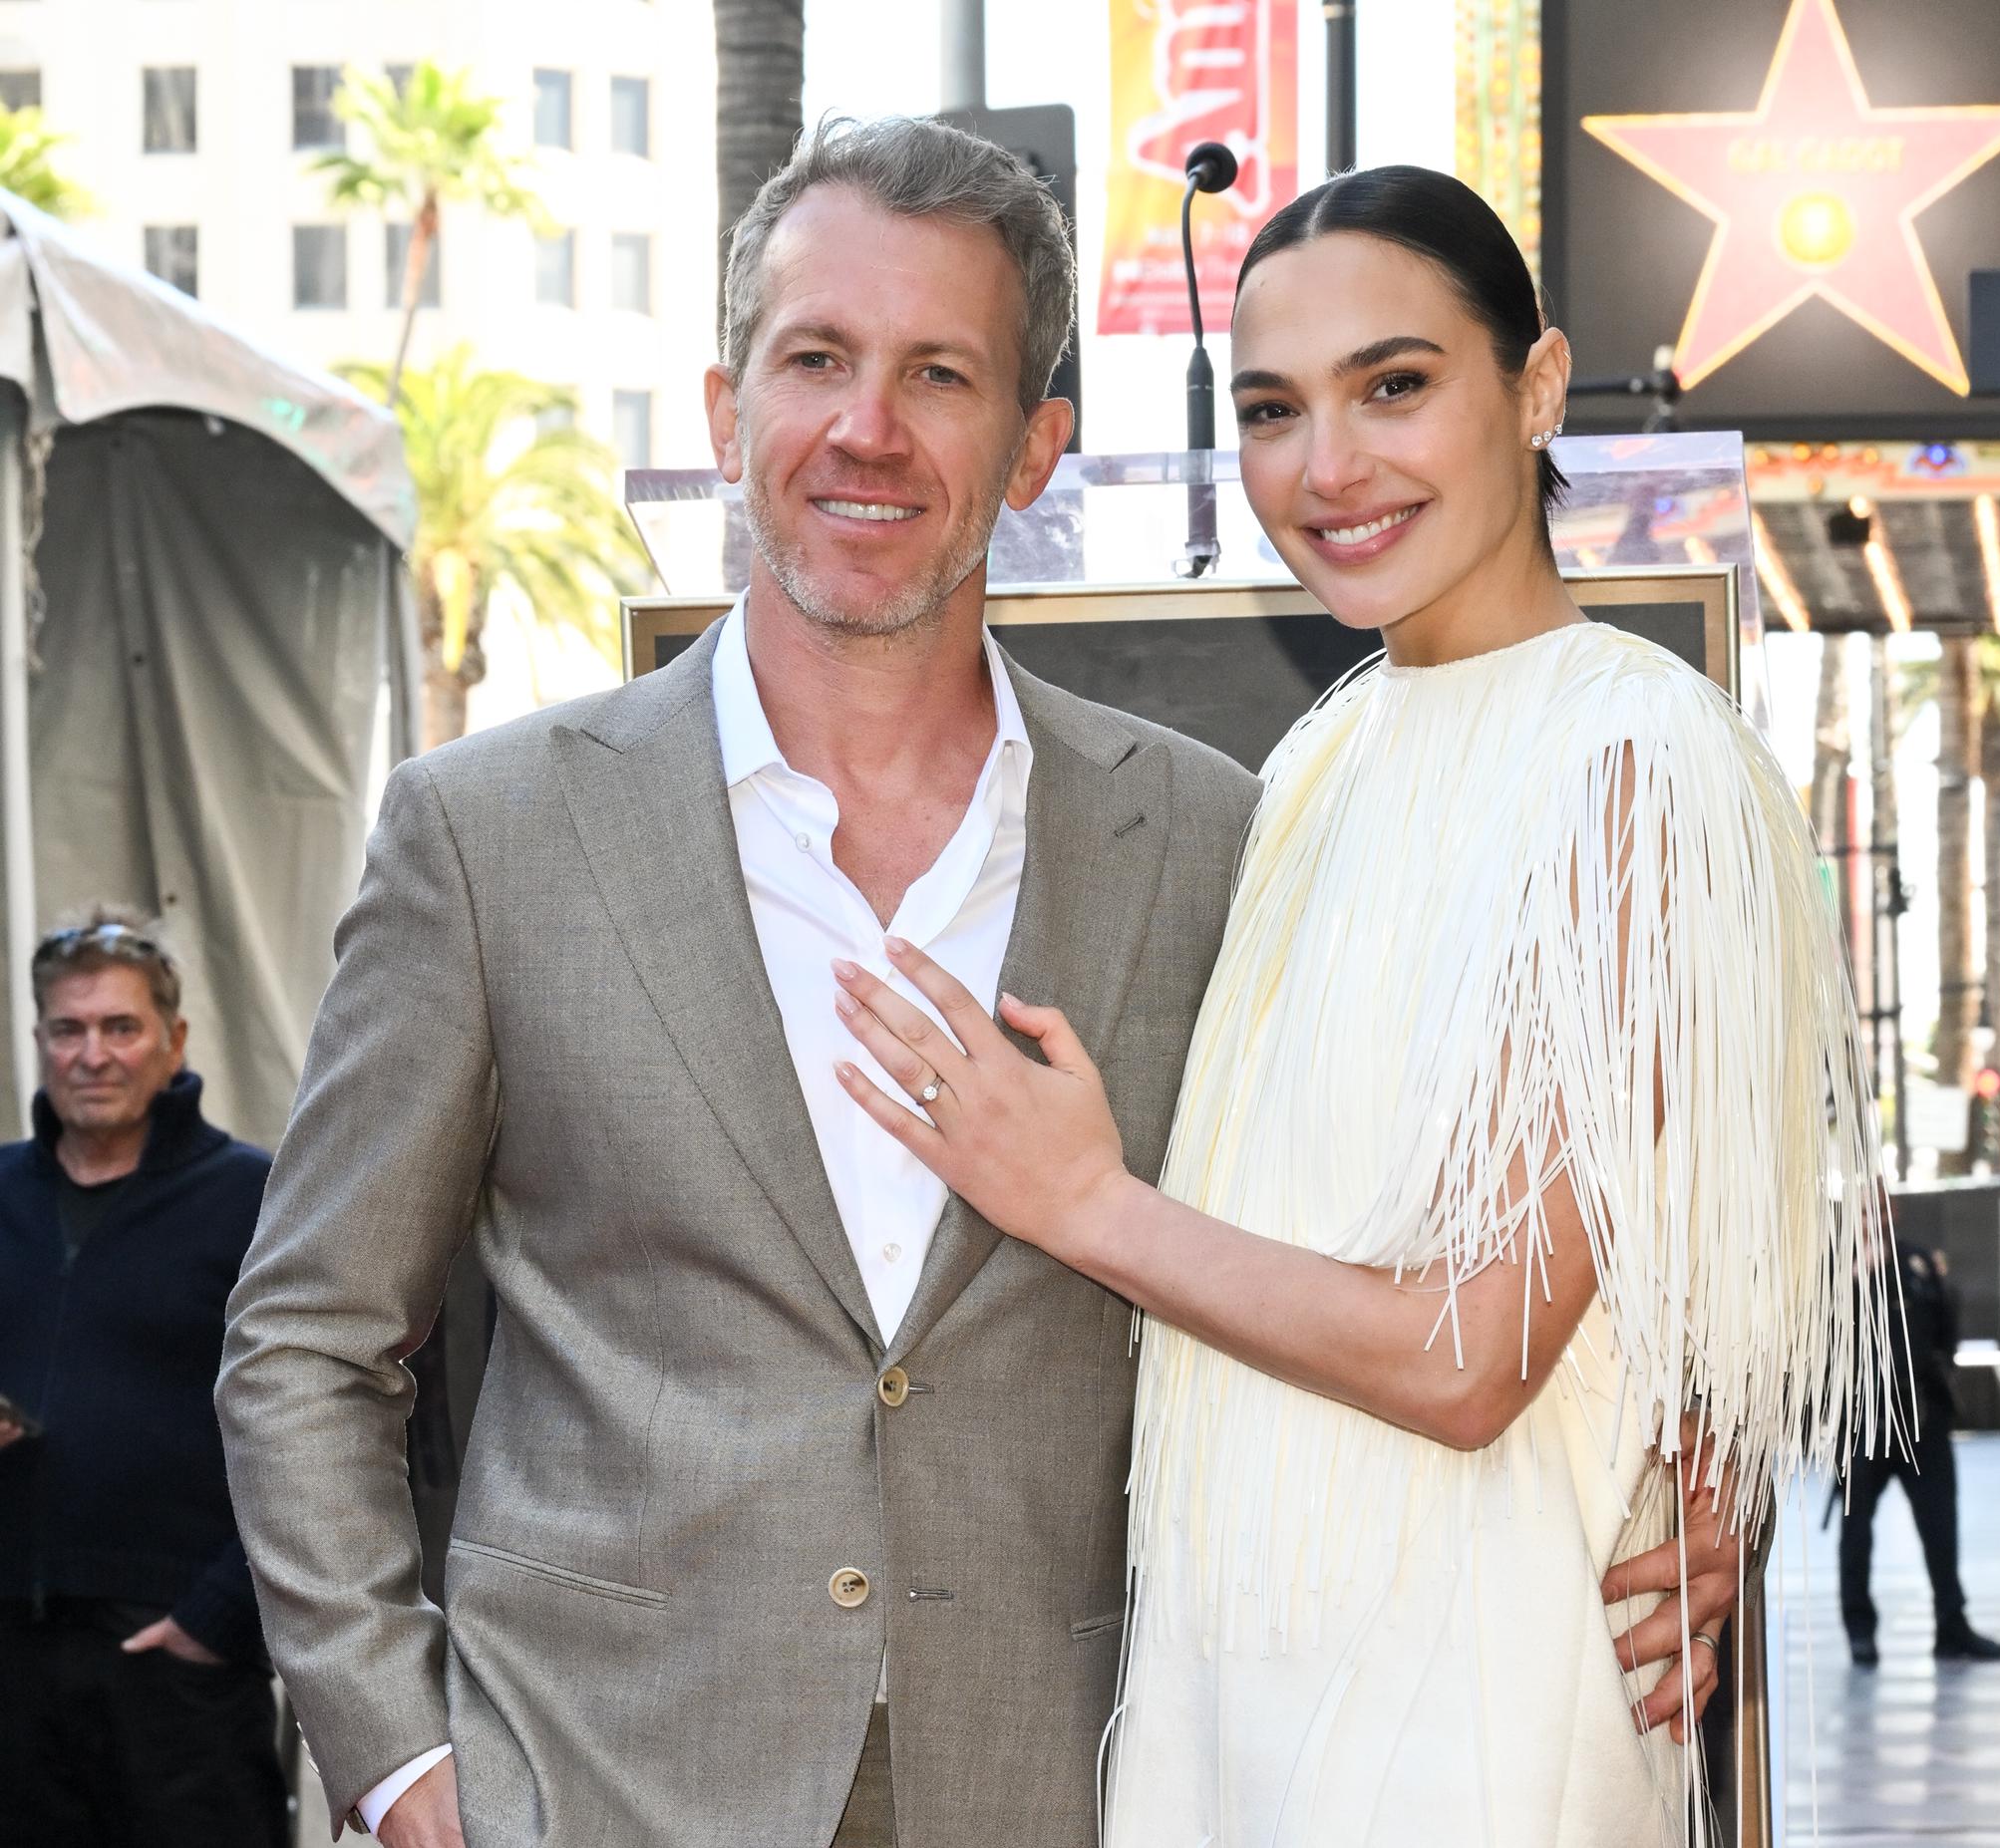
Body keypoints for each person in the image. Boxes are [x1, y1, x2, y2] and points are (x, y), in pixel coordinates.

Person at [216, 120, 1724, 1848]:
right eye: (817, 361)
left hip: (1069, 1778)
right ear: (728, 412)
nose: (868, 429)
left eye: (940, 373)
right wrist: (400, 1758)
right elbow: (306, 1340)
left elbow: (1465, 1180)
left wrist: (1679, 1453)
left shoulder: (1220, 841)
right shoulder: (486, 837)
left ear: (1035, 449)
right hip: (593, 1784)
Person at [830, 164, 1898, 1846]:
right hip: (1236, 1657)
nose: (1328, 468)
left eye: (1395, 385)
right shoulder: (1328, 751)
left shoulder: (1640, 759)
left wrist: (1086, 1199)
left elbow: (1475, 1352)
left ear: (1535, 387)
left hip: (1469, 1682)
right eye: (1273, 407)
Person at [0, 913, 285, 1846]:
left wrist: (223, 1617)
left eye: (120, 1028)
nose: (93, 1054)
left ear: (174, 1042)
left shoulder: (255, 1200)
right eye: (67, 1029)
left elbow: (325, 1433)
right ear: (38, 1040)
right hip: (12, 1673)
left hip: (179, 1668)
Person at [1837, 1220, 2000, 1667]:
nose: (1865, 1215)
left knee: (1941, 1527)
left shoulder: (1914, 1259)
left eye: (1873, 1201)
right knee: (1856, 1532)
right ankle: (1860, 1632)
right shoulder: (1831, 1266)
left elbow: (1945, 1325)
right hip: (1865, 1421)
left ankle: (1952, 1626)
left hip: (1922, 1416)